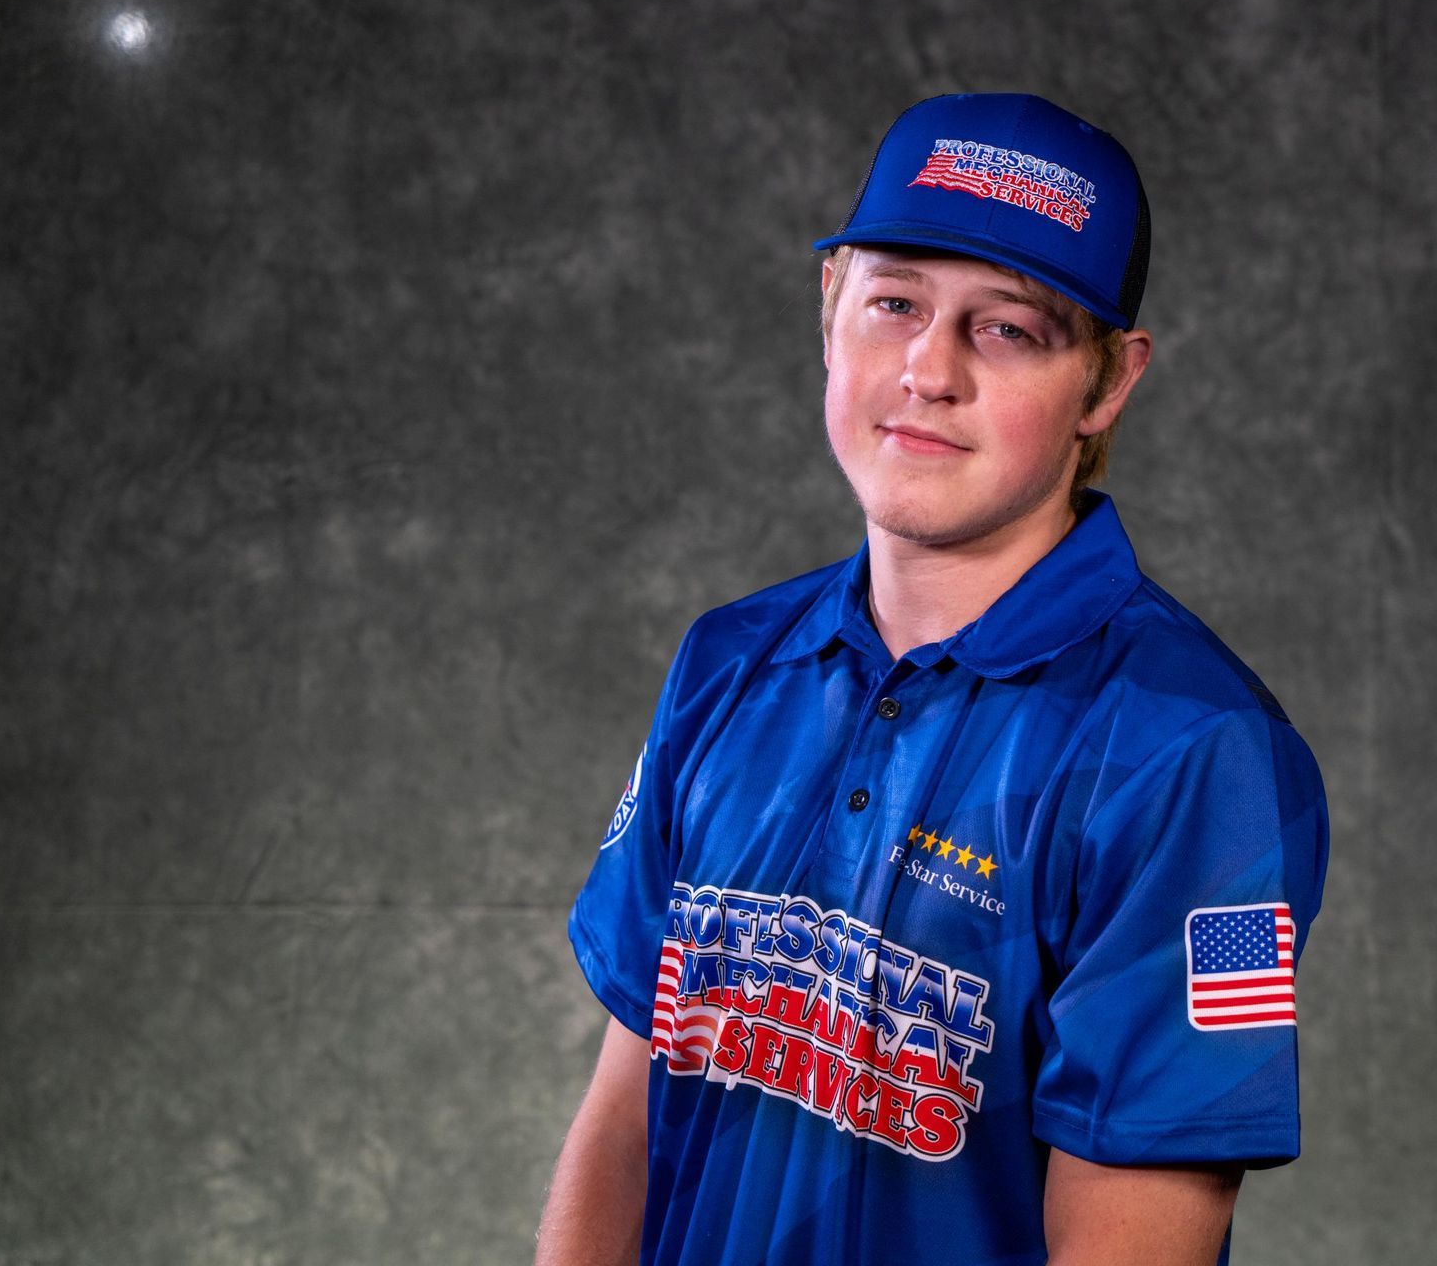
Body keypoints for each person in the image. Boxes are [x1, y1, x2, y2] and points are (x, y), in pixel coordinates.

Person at [536, 92, 1330, 1266]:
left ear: (1106, 386)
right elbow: (624, 1115)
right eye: (894, 303)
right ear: (829, 313)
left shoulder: (1196, 755)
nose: (927, 369)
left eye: (1006, 328)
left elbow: (1135, 1243)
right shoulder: (727, 663)